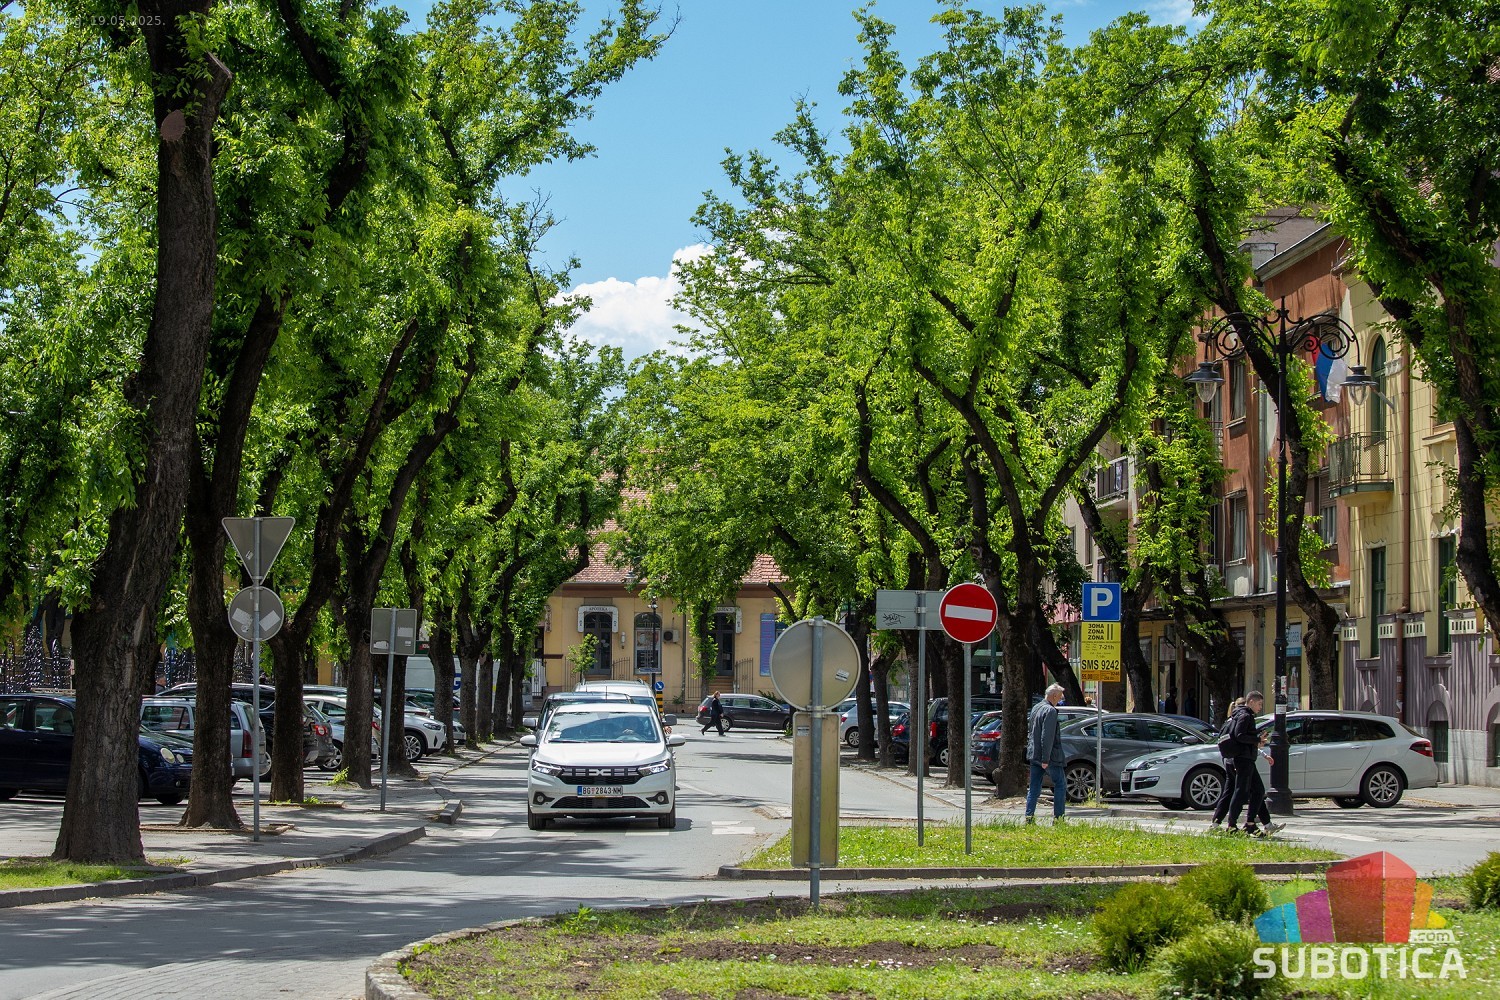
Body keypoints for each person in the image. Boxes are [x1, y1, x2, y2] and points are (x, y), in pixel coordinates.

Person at [1223, 690, 1271, 836]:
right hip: (1243, 759)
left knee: (1258, 790)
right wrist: (1257, 740)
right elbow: (1240, 735)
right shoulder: (1245, 715)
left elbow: (1243, 735)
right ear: (1251, 702)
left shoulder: (1240, 714)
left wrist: (1256, 739)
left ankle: (1250, 823)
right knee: (1241, 791)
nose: (1260, 707)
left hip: (1246, 758)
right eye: (1259, 704)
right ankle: (1232, 825)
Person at [1025, 683, 1068, 823]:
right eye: (1059, 697)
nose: (1060, 700)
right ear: (1054, 696)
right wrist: (1045, 759)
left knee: (1034, 787)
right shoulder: (1050, 711)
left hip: (1034, 754)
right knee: (1060, 784)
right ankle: (1059, 819)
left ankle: (1029, 818)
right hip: (1049, 757)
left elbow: (1032, 732)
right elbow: (1047, 736)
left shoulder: (1036, 708)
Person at [1210, 697, 1245, 828]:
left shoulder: (1228, 721)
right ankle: (1234, 824)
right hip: (1239, 760)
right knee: (1251, 791)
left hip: (1228, 759)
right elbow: (1240, 738)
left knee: (1229, 791)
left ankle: (1216, 822)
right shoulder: (1241, 719)